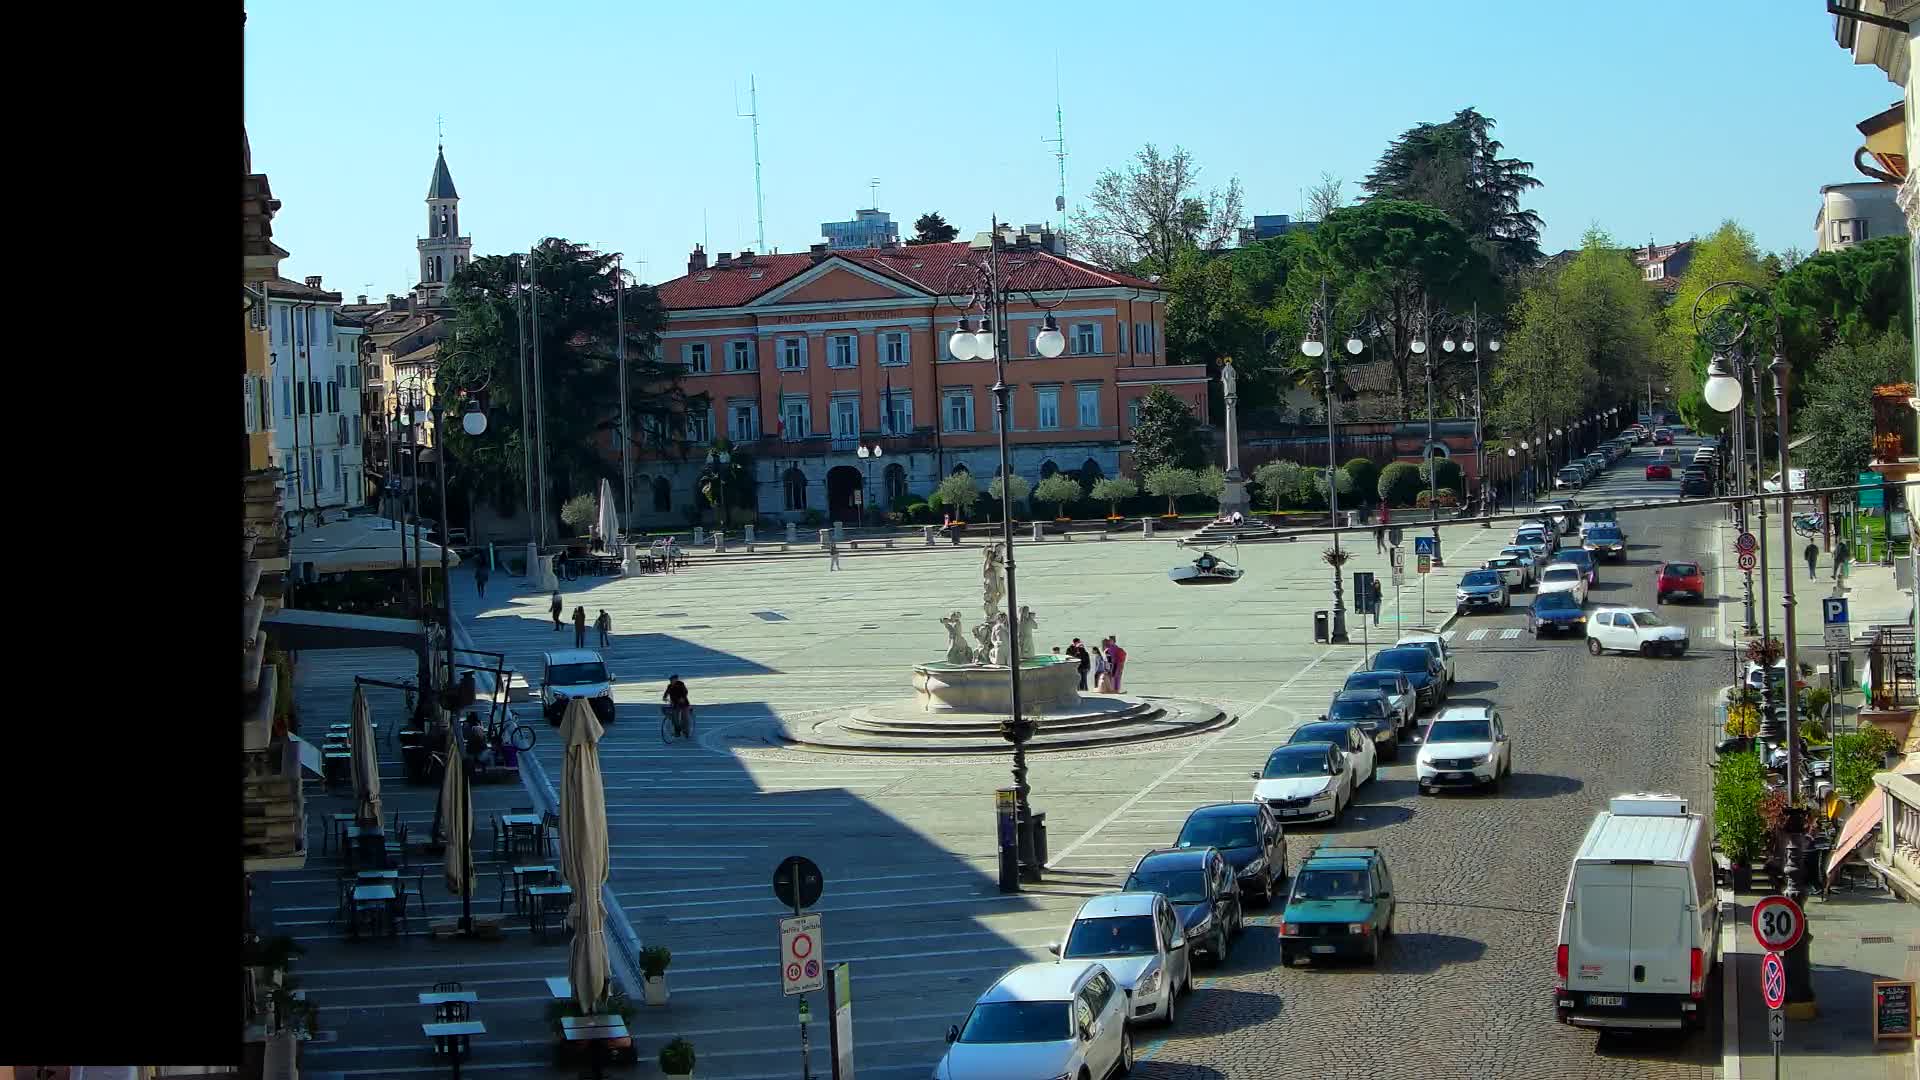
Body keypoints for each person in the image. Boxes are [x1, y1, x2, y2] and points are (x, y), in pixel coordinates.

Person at [662, 673, 692, 737]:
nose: (671, 681)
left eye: (672, 679)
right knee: (674, 718)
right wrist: (664, 697)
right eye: (670, 680)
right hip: (675, 704)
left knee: (684, 718)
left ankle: (686, 732)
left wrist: (682, 698)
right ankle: (677, 731)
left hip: (683, 704)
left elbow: (685, 691)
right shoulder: (669, 686)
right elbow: (666, 692)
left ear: (676, 679)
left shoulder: (681, 684)